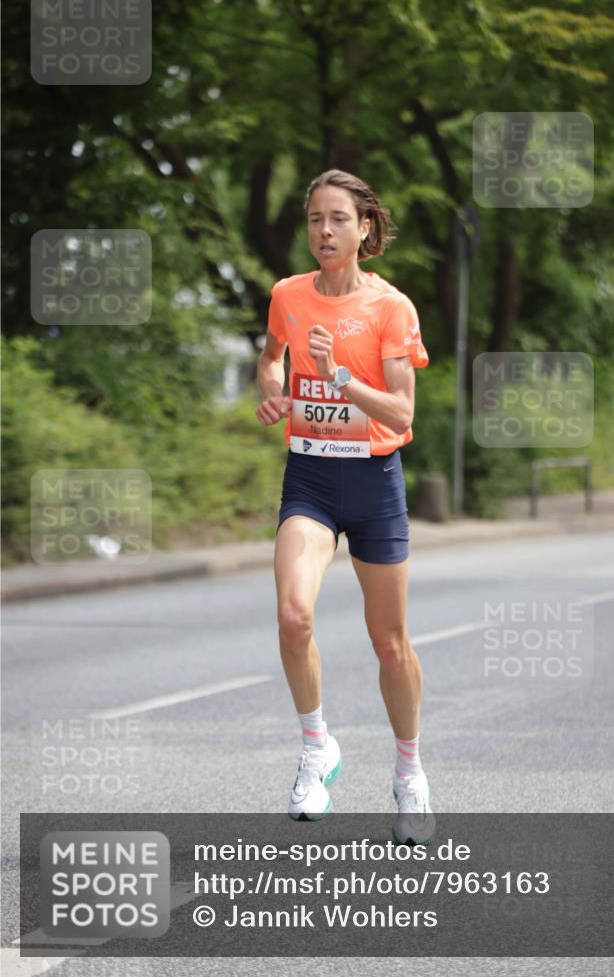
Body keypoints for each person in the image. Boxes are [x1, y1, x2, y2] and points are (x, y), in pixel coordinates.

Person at [256, 169, 434, 844]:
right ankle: (315, 748)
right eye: (313, 220)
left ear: (364, 228)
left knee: (388, 644)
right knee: (293, 613)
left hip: (373, 481)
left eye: (337, 219)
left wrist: (338, 378)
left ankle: (409, 772)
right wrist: (274, 389)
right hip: (310, 478)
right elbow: (271, 358)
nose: (323, 232)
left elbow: (400, 408)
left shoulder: (391, 308)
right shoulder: (287, 295)